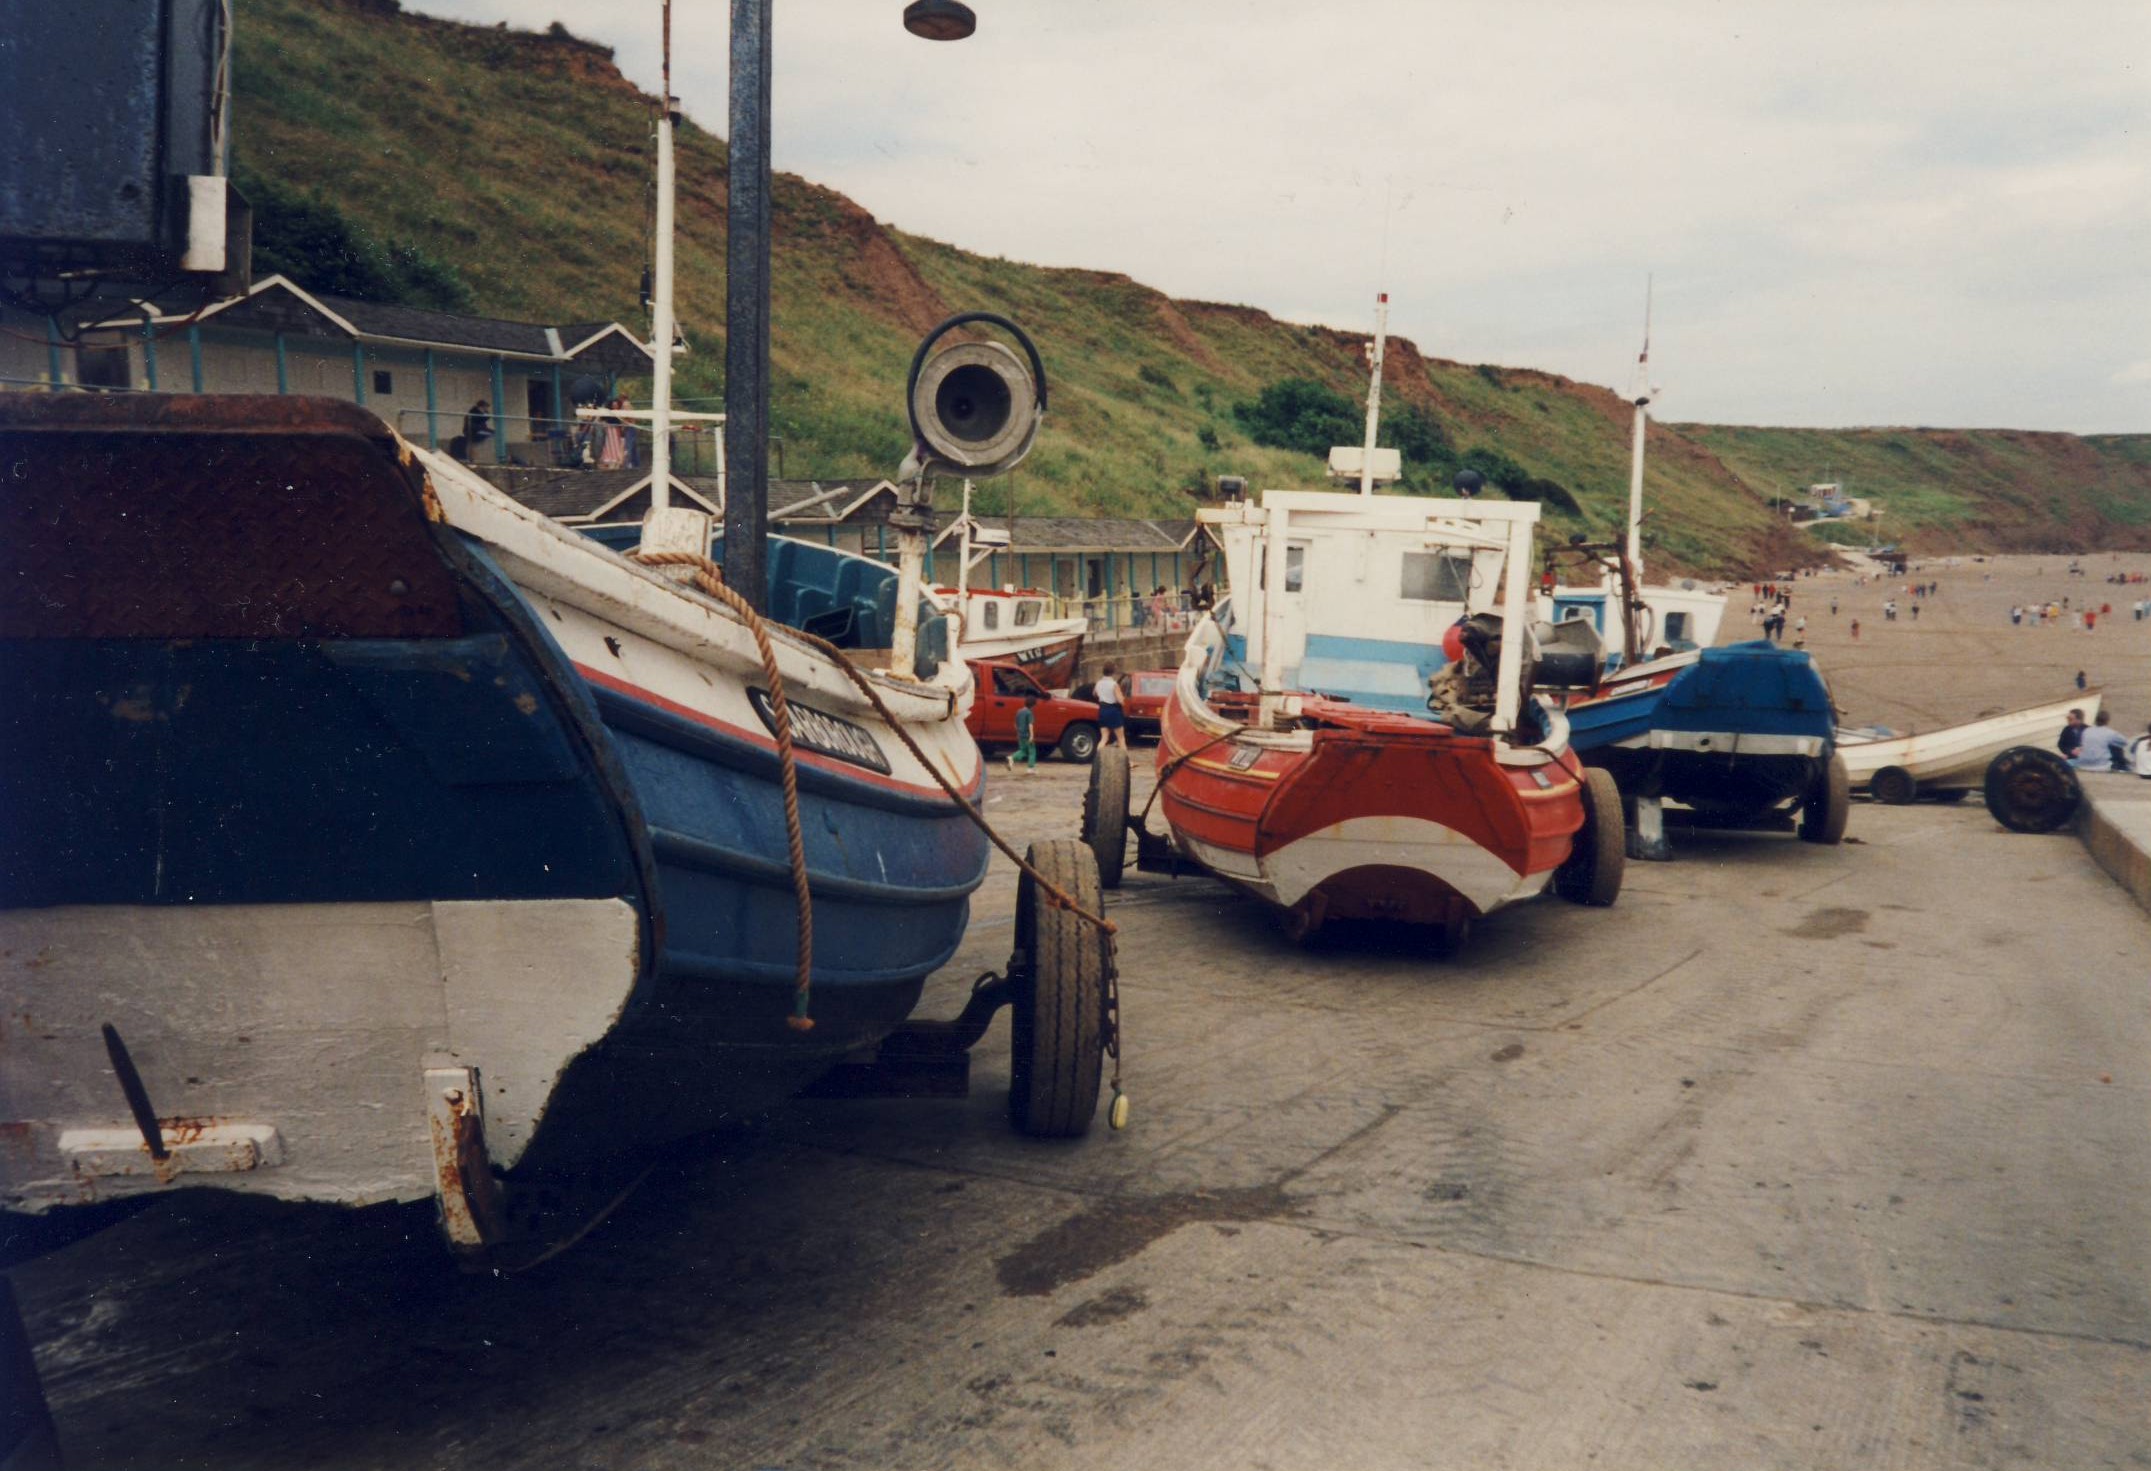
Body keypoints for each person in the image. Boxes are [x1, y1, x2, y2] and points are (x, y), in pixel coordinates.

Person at [1094, 663, 1126, 748]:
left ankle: (1098, 759)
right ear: (1113, 672)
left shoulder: (1099, 683)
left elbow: (1094, 693)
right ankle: (1127, 761)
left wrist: (1102, 696)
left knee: (1104, 738)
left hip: (1103, 710)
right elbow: (1120, 701)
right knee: (1121, 739)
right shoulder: (1114, 684)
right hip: (1113, 711)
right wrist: (1122, 699)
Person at [1008, 693, 1039, 773]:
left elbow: (1015, 724)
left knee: (1023, 751)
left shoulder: (1019, 711)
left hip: (1020, 735)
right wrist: (1031, 736)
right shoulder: (1029, 713)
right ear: (1033, 705)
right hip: (1027, 735)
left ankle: (1012, 758)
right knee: (1032, 751)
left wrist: (1019, 731)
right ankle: (1030, 768)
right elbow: (1030, 724)